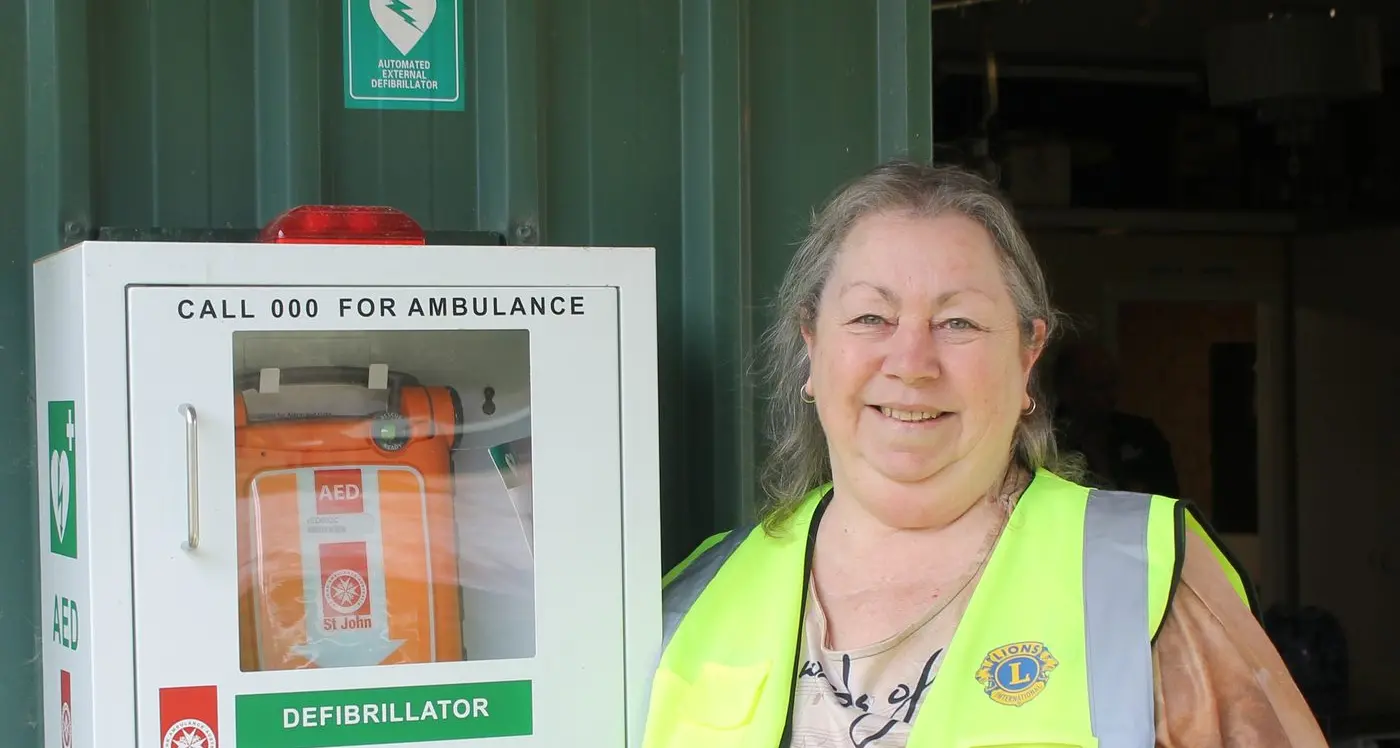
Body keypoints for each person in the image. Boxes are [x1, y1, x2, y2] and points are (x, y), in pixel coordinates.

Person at [644, 160, 1326, 747]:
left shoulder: (1142, 576)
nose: (911, 363)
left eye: (958, 322)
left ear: (1027, 355)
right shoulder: (694, 598)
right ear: (813, 348)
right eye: (870, 318)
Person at [1051, 338, 1182, 497]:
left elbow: (1168, 498)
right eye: (1098, 386)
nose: (1110, 396)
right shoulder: (1045, 442)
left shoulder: (1142, 435)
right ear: (1067, 389)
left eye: (1112, 384)